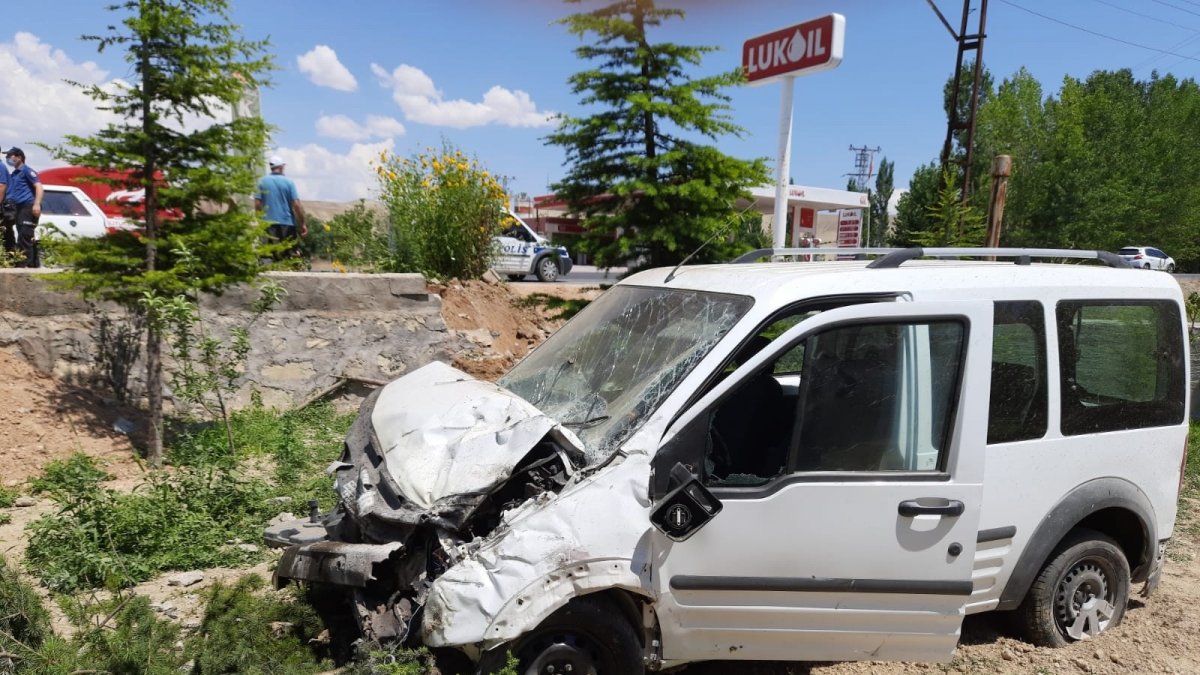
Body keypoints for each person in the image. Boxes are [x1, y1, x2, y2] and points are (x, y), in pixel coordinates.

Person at [255, 155, 306, 259]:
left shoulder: (261, 181)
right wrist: (302, 223)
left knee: (267, 255)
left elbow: (257, 204)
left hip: (267, 224)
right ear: (282, 167)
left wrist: (260, 220)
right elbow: (296, 204)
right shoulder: (289, 182)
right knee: (289, 255)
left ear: (271, 167)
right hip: (287, 224)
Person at [2, 148, 41, 268]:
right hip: (17, 207)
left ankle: (25, 265)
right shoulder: (14, 174)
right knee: (20, 234)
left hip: (28, 206)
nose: (8, 158)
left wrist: (37, 204)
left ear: (19, 157)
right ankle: (30, 263)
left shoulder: (27, 171)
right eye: (7, 156)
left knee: (25, 235)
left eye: (10, 156)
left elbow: (39, 187)